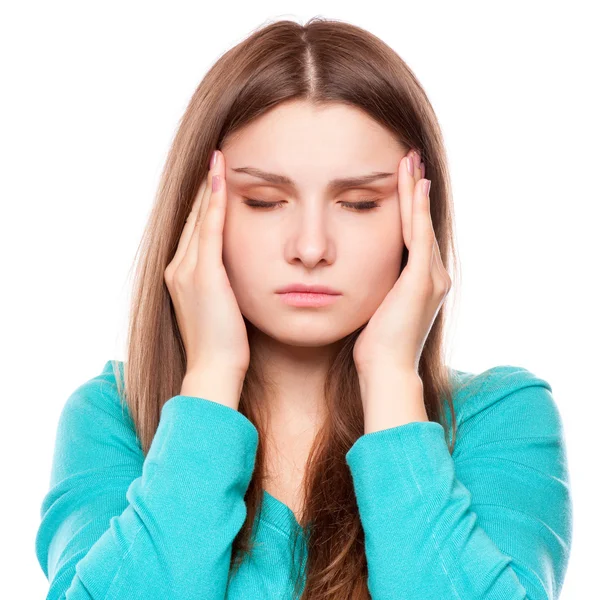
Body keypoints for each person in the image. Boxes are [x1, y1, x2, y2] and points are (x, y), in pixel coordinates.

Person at [35, 17, 572, 600]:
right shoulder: (111, 419)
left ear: (417, 217)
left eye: (360, 203)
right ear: (196, 212)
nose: (311, 248)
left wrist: (392, 381)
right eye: (265, 201)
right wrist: (211, 377)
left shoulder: (500, 419)